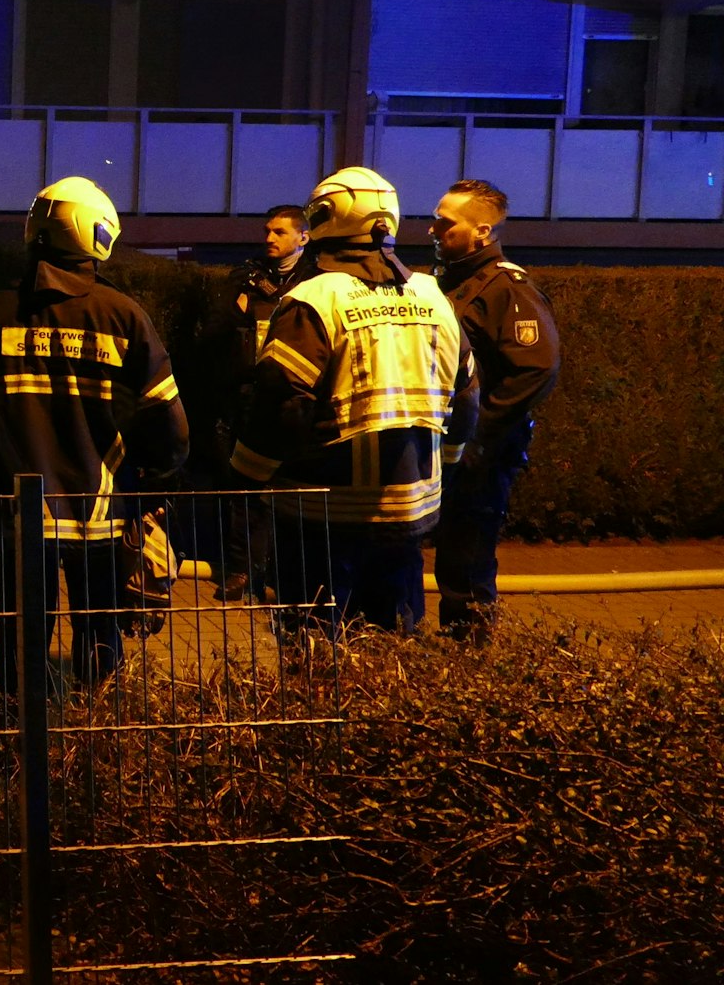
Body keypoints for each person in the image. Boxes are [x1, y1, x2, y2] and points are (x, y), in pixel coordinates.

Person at [0, 177, 189, 727]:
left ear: (33, 234)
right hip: (104, 523)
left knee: (20, 649)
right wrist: (153, 482)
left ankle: (18, 770)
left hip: (15, 523)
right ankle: (98, 762)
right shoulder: (125, 317)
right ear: (100, 237)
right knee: (100, 642)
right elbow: (171, 428)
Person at [229, 167, 476, 636]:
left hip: (322, 517)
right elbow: (466, 398)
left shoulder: (315, 298)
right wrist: (447, 461)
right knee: (392, 656)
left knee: (318, 652)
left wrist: (246, 475)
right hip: (408, 514)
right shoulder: (432, 293)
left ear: (325, 217)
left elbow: (281, 406)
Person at [429, 179, 560, 643]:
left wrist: (480, 438)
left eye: (447, 222)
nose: (434, 229)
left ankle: (471, 659)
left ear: (482, 231)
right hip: (451, 445)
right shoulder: (455, 280)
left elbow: (536, 368)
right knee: (450, 551)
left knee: (467, 557)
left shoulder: (506, 286)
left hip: (480, 452)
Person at [215, 204, 313, 601]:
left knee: (292, 491)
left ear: (303, 237)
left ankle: (282, 572)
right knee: (245, 488)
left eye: (279, 232)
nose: (269, 238)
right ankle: (241, 570)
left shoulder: (318, 280)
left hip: (295, 399)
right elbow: (219, 329)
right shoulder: (248, 277)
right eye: (267, 231)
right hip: (250, 397)